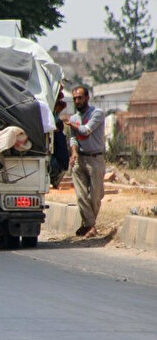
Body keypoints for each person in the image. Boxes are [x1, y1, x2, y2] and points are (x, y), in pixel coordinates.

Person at [66, 86, 106, 237]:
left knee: (95, 196)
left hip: (95, 158)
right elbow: (74, 138)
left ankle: (87, 224)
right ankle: (91, 226)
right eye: (75, 98)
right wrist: (74, 153)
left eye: (80, 98)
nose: (77, 101)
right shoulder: (74, 118)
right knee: (81, 195)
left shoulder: (97, 113)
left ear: (87, 98)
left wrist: (71, 124)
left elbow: (86, 130)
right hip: (80, 158)